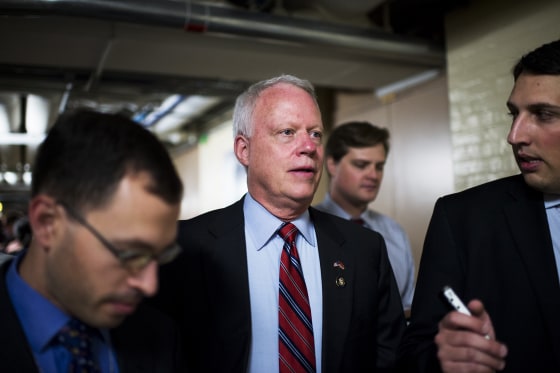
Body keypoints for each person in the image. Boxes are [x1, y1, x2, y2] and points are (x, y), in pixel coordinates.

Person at [152, 74, 406, 373]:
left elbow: (390, 356)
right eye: (287, 132)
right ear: (243, 150)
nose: (309, 147)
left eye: (315, 134)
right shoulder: (185, 246)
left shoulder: (365, 249)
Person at [397, 39, 560, 373]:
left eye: (543, 114)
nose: (514, 136)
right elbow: (417, 351)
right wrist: (444, 359)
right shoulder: (462, 219)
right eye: (514, 114)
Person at [0, 109, 185, 372]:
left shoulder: (160, 337)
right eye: (130, 254)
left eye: (160, 256)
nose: (150, 285)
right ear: (46, 223)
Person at [314, 121, 415, 316]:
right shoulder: (307, 229)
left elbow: (407, 308)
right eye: (361, 165)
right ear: (332, 164)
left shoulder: (394, 233)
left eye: (379, 166)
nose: (373, 175)